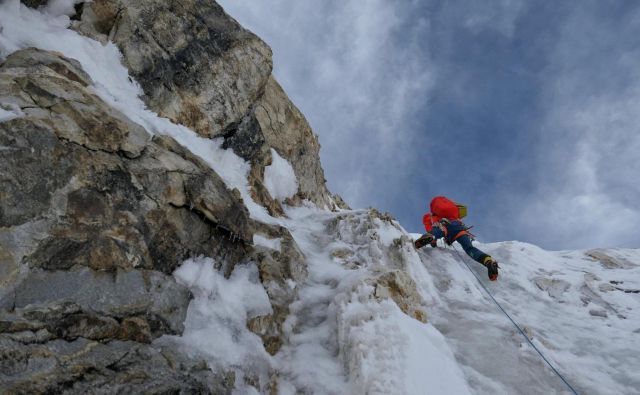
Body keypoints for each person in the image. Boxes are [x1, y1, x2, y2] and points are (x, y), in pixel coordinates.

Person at [414, 196, 499, 281]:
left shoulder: (432, 216)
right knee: (469, 248)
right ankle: (488, 262)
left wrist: (433, 241)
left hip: (445, 225)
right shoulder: (453, 213)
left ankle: (431, 236)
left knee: (437, 232)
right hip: (459, 228)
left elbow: (430, 227)